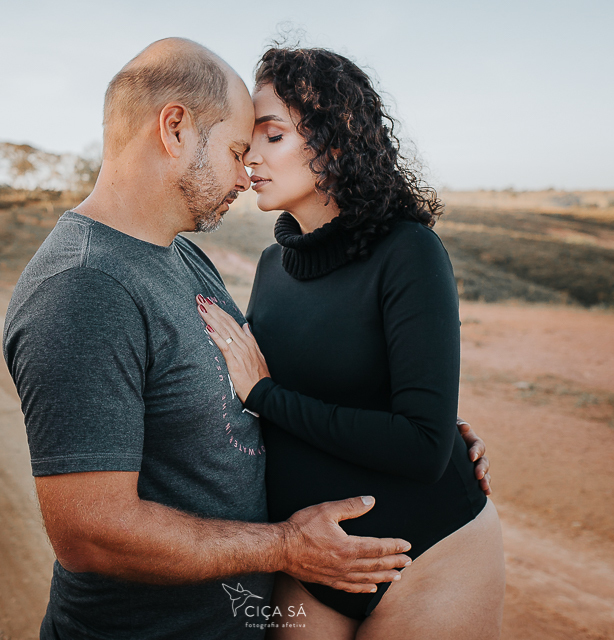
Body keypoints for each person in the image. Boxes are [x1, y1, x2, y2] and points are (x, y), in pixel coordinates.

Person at [3, 38, 491, 640]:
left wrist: (429, 425)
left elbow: (262, 385)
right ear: (175, 129)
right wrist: (283, 546)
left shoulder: (181, 256)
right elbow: (91, 535)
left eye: (267, 139)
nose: (246, 170)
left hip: (307, 588)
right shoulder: (84, 286)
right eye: (238, 148)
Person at [196, 46, 506, 639]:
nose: (250, 156)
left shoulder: (408, 251)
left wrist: (266, 395)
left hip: (429, 554)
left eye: (273, 136)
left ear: (335, 140)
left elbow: (422, 447)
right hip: (311, 560)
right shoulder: (271, 266)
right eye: (248, 140)